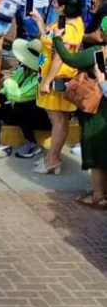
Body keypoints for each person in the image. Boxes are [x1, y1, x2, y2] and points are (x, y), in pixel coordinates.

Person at [32, 0, 87, 175]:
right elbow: (50, 41)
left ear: (63, 7)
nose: (52, 3)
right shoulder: (63, 21)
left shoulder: (70, 28)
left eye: (55, 1)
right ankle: (51, 158)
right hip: (47, 72)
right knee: (57, 119)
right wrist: (40, 22)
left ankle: (53, 160)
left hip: (57, 77)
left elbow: (59, 58)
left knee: (58, 120)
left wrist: (47, 81)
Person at [50, 31, 107, 208]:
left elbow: (70, 59)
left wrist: (57, 39)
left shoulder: (98, 52)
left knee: (96, 154)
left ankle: (98, 196)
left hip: (97, 111)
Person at [0, 38, 50, 160]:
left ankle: (32, 143)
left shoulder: (41, 77)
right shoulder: (23, 69)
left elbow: (18, 95)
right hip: (21, 111)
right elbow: (10, 87)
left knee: (24, 106)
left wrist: (6, 80)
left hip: (43, 118)